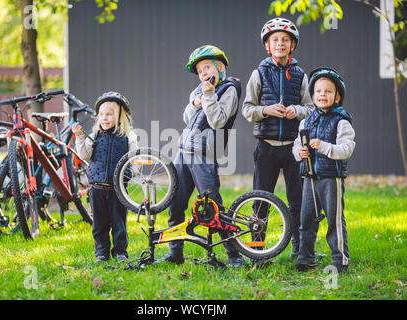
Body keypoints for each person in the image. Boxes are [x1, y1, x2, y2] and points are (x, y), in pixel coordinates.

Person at [157, 44, 244, 267]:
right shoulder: (199, 90)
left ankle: (234, 255)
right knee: (175, 203)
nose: (203, 74)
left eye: (207, 67)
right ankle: (175, 253)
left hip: (205, 155)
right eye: (200, 71)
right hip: (183, 152)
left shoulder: (230, 88)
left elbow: (218, 120)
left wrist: (207, 96)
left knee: (212, 207)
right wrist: (196, 101)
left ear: (220, 66)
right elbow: (187, 116)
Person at [241, 18, 314, 262]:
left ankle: (299, 248)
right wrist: (266, 110)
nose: (280, 44)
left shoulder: (300, 74)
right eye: (275, 40)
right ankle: (257, 250)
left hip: (294, 148)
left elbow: (311, 107)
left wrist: (298, 111)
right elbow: (247, 109)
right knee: (261, 200)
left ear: (292, 45)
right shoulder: (259, 73)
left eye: (285, 40)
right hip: (266, 148)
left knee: (297, 200)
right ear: (267, 46)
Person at [293, 67, 355, 272]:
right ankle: (305, 257)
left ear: (337, 97)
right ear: (312, 96)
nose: (322, 94)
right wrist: (299, 152)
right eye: (318, 91)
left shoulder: (341, 121)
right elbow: (296, 144)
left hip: (331, 177)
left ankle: (340, 261)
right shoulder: (306, 120)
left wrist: (324, 147)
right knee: (306, 219)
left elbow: (346, 149)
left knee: (334, 220)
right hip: (309, 177)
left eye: (328, 91)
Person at [72, 91, 137, 263]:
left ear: (120, 117)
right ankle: (101, 252)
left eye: (109, 114)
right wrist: (79, 137)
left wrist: (132, 171)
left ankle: (120, 251)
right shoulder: (94, 137)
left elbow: (134, 158)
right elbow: (84, 155)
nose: (104, 118)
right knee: (99, 224)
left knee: (119, 223)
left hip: (118, 189)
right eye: (101, 114)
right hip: (97, 188)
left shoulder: (128, 138)